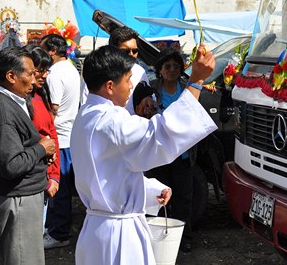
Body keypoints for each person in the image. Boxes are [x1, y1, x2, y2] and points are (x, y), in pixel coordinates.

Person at [70, 44, 217, 264]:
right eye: (128, 79)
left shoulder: (85, 114)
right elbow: (161, 134)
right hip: (119, 236)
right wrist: (196, 81)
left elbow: (106, 173)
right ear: (110, 86)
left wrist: (150, 189)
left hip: (96, 229)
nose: (132, 86)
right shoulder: (111, 121)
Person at [0, 47, 56, 265]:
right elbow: (11, 164)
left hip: (22, 197)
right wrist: (41, 149)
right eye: (29, 73)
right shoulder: (3, 109)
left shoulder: (12, 102)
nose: (35, 78)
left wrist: (39, 152)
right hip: (18, 200)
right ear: (11, 76)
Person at [146, 48, 196, 252]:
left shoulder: (186, 89)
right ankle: (157, 239)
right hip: (159, 154)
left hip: (182, 153)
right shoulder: (151, 89)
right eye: (167, 67)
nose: (172, 70)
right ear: (159, 70)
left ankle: (184, 239)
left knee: (184, 198)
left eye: (176, 66)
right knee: (158, 196)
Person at [40, 33, 80, 249]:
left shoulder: (55, 73)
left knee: (57, 187)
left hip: (60, 138)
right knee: (62, 186)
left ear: (52, 51)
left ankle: (58, 233)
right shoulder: (71, 69)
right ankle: (57, 229)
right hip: (68, 136)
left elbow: (53, 108)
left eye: (42, 48)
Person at [24, 44, 61, 232]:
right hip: (33, 179)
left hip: (46, 176)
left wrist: (54, 176)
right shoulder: (20, 102)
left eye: (46, 71)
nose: (44, 76)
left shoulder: (41, 96)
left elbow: (52, 135)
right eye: (40, 71)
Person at [80, 26, 152, 114]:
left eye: (135, 50)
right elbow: (87, 105)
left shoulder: (140, 71)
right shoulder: (96, 72)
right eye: (126, 51)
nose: (131, 54)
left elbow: (148, 98)